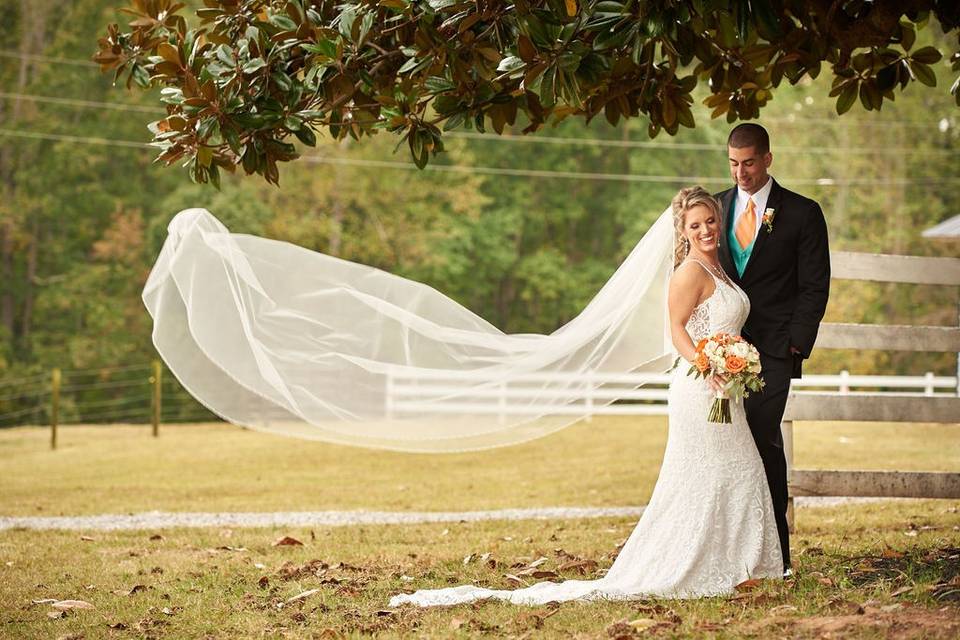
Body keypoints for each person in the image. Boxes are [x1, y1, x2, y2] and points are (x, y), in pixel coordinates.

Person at [388, 186, 783, 607]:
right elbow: (677, 329)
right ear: (682, 232)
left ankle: (744, 563)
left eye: (709, 221)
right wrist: (708, 364)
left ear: (718, 223)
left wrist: (733, 362)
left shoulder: (719, 268)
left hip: (724, 387)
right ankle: (701, 562)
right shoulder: (689, 272)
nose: (705, 230)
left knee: (736, 469)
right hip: (700, 389)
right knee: (711, 473)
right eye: (695, 225)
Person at [717, 124, 831, 576]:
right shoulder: (718, 207)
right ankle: (727, 551)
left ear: (767, 159)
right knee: (725, 447)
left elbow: (814, 286)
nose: (740, 172)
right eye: (732, 163)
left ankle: (775, 556)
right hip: (721, 352)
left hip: (774, 353)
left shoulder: (803, 213)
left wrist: (793, 346)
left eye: (748, 162)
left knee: (764, 443)